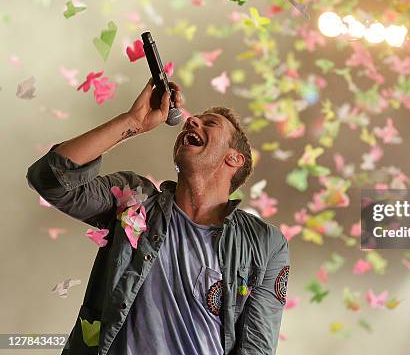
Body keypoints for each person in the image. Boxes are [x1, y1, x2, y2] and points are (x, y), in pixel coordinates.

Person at [26, 79, 290, 355]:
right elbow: (49, 178)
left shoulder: (264, 243)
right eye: (193, 120)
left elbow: (256, 348)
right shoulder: (134, 200)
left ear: (234, 159)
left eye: (209, 123)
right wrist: (132, 121)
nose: (191, 122)